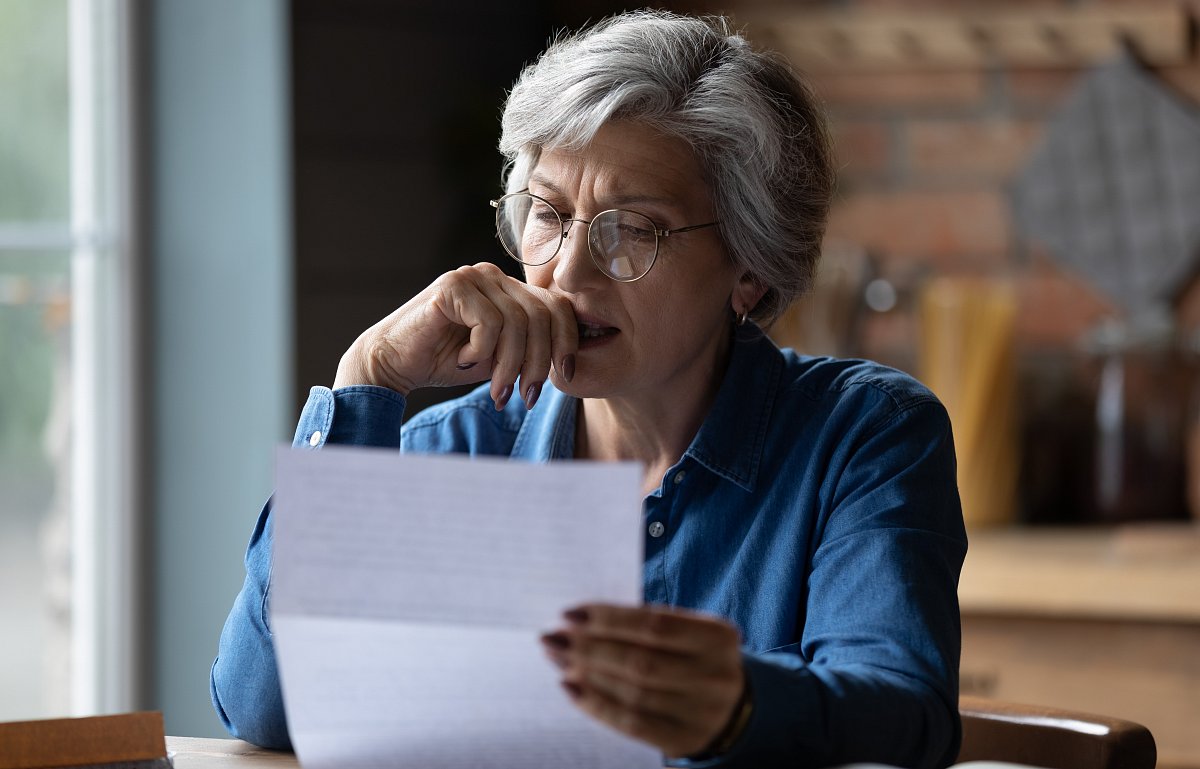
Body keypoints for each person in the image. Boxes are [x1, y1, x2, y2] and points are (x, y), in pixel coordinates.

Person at [211, 9, 966, 768]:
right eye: (548, 214)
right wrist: (367, 375)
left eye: (632, 229)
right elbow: (265, 707)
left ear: (750, 265)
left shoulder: (866, 435)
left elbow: (904, 716)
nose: (568, 274)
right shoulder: (455, 451)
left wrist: (739, 706)